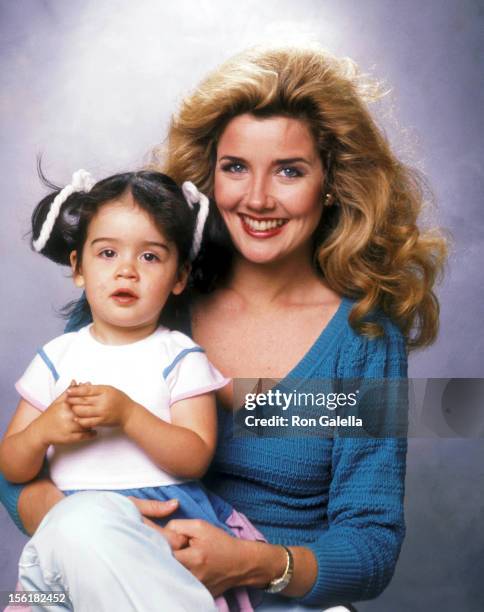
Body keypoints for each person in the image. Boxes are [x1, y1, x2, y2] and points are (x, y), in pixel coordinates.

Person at [0, 45, 448, 611]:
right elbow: (18, 469)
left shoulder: (361, 337)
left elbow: (371, 543)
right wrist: (97, 530)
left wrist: (253, 563)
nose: (258, 198)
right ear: (209, 179)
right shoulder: (146, 289)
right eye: (236, 167)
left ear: (331, 182)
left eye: (289, 170)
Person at [0, 169, 264, 611]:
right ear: (77, 268)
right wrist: (43, 431)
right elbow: (10, 465)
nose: (126, 270)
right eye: (107, 253)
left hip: (168, 517)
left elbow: (197, 454)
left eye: (150, 258)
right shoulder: (58, 355)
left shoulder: (180, 354)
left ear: (180, 276)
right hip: (70, 528)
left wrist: (129, 416)